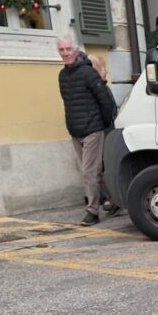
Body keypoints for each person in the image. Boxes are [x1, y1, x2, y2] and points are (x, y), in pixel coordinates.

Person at [56, 38, 118, 226]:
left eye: (68, 49)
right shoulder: (62, 76)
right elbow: (68, 103)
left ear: (76, 51)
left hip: (93, 130)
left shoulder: (88, 73)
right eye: (62, 50)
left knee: (88, 171)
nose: (65, 53)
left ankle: (92, 211)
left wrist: (101, 125)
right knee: (94, 171)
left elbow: (105, 101)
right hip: (75, 131)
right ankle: (115, 199)